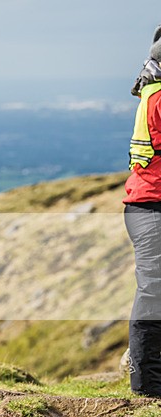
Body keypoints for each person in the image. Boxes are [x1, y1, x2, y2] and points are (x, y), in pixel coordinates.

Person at [125, 24, 161, 397]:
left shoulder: (152, 90)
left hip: (147, 204)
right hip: (151, 207)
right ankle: (148, 390)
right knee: (154, 293)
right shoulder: (159, 97)